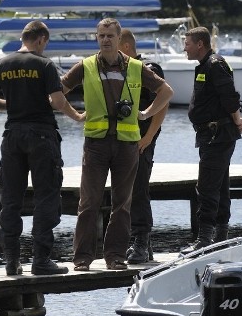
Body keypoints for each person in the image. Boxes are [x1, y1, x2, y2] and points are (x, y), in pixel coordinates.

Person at [61, 17, 173, 271]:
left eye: (110, 36)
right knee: (89, 202)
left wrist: (145, 113)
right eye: (101, 36)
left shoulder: (135, 67)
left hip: (126, 144)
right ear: (96, 38)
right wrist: (75, 115)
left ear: (119, 39)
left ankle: (115, 256)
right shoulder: (86, 66)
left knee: (123, 204)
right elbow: (57, 94)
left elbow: (167, 92)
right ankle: (82, 258)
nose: (105, 40)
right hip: (96, 143)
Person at [0, 20, 85, 276]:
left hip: (13, 135)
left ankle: (12, 262)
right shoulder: (44, 64)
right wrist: (77, 117)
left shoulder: (3, 63)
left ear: (23, 38)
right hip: (41, 136)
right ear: (40, 40)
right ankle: (40, 261)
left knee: (11, 200)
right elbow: (58, 102)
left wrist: (14, 104)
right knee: (46, 198)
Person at [181, 26, 242, 253]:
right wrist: (235, 119)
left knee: (208, 187)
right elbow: (219, 101)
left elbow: (230, 97)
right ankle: (220, 237)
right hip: (210, 135)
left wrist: (237, 121)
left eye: (187, 43)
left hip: (217, 135)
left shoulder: (215, 64)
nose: (184, 48)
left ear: (200, 44)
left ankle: (204, 239)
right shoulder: (205, 65)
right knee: (219, 186)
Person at [120, 29, 168, 264]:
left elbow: (164, 102)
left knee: (138, 190)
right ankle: (143, 245)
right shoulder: (122, 70)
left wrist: (149, 137)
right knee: (128, 192)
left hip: (141, 140)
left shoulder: (147, 69)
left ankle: (141, 240)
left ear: (126, 47)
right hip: (124, 140)